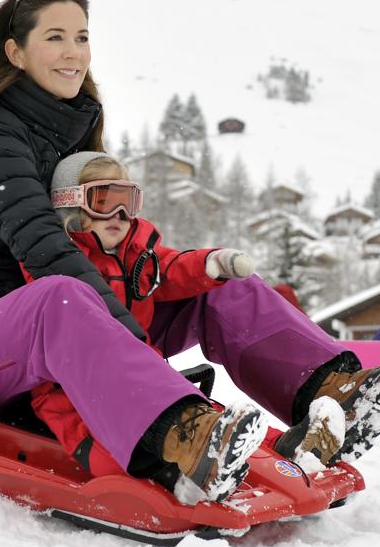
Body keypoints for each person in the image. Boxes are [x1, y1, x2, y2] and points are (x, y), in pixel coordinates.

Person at [0, 0, 380, 504]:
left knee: (223, 287)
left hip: (64, 330)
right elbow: (42, 247)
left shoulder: (68, 126)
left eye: (82, 37)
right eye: (55, 37)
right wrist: (128, 338)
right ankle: (183, 436)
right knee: (60, 296)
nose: (73, 52)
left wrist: (181, 272)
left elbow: (107, 248)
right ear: (15, 51)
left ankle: (330, 393)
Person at [27, 152, 346, 488]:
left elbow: (171, 267)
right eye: (105, 200)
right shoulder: (55, 262)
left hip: (140, 379)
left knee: (198, 420)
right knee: (159, 432)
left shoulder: (135, 254)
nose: (120, 214)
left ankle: (298, 436)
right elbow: (62, 326)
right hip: (79, 399)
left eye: (129, 201)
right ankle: (183, 477)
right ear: (70, 204)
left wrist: (210, 265)